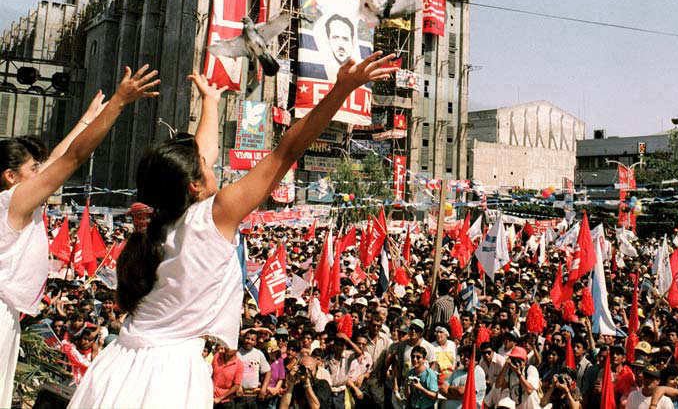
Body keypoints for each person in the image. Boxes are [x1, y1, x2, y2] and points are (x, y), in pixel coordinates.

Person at [69, 54, 396, 408]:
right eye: (203, 165)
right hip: (166, 377)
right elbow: (286, 151)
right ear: (193, 185)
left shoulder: (155, 226)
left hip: (116, 367)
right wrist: (340, 90)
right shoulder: (212, 218)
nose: (210, 162)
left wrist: (211, 102)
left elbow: (202, 152)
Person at [0, 68, 156, 407]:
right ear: (11, 177)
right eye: (33, 170)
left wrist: (88, 118)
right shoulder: (11, 202)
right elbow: (71, 159)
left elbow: (58, 156)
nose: (41, 174)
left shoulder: (14, 199)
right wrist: (118, 103)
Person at [238, 330, 272, 408]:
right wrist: (237, 386)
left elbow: (268, 371)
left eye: (252, 340)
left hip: (254, 396)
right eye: (247, 338)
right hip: (239, 395)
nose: (249, 341)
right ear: (243, 339)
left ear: (256, 342)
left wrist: (263, 389)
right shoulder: (236, 354)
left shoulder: (259, 354)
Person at [405, 345, 439, 409]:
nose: (414, 359)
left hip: (426, 407)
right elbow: (408, 396)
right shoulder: (410, 373)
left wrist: (421, 388)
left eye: (418, 357)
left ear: (424, 360)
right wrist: (407, 385)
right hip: (413, 405)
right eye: (413, 357)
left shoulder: (430, 374)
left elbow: (434, 395)